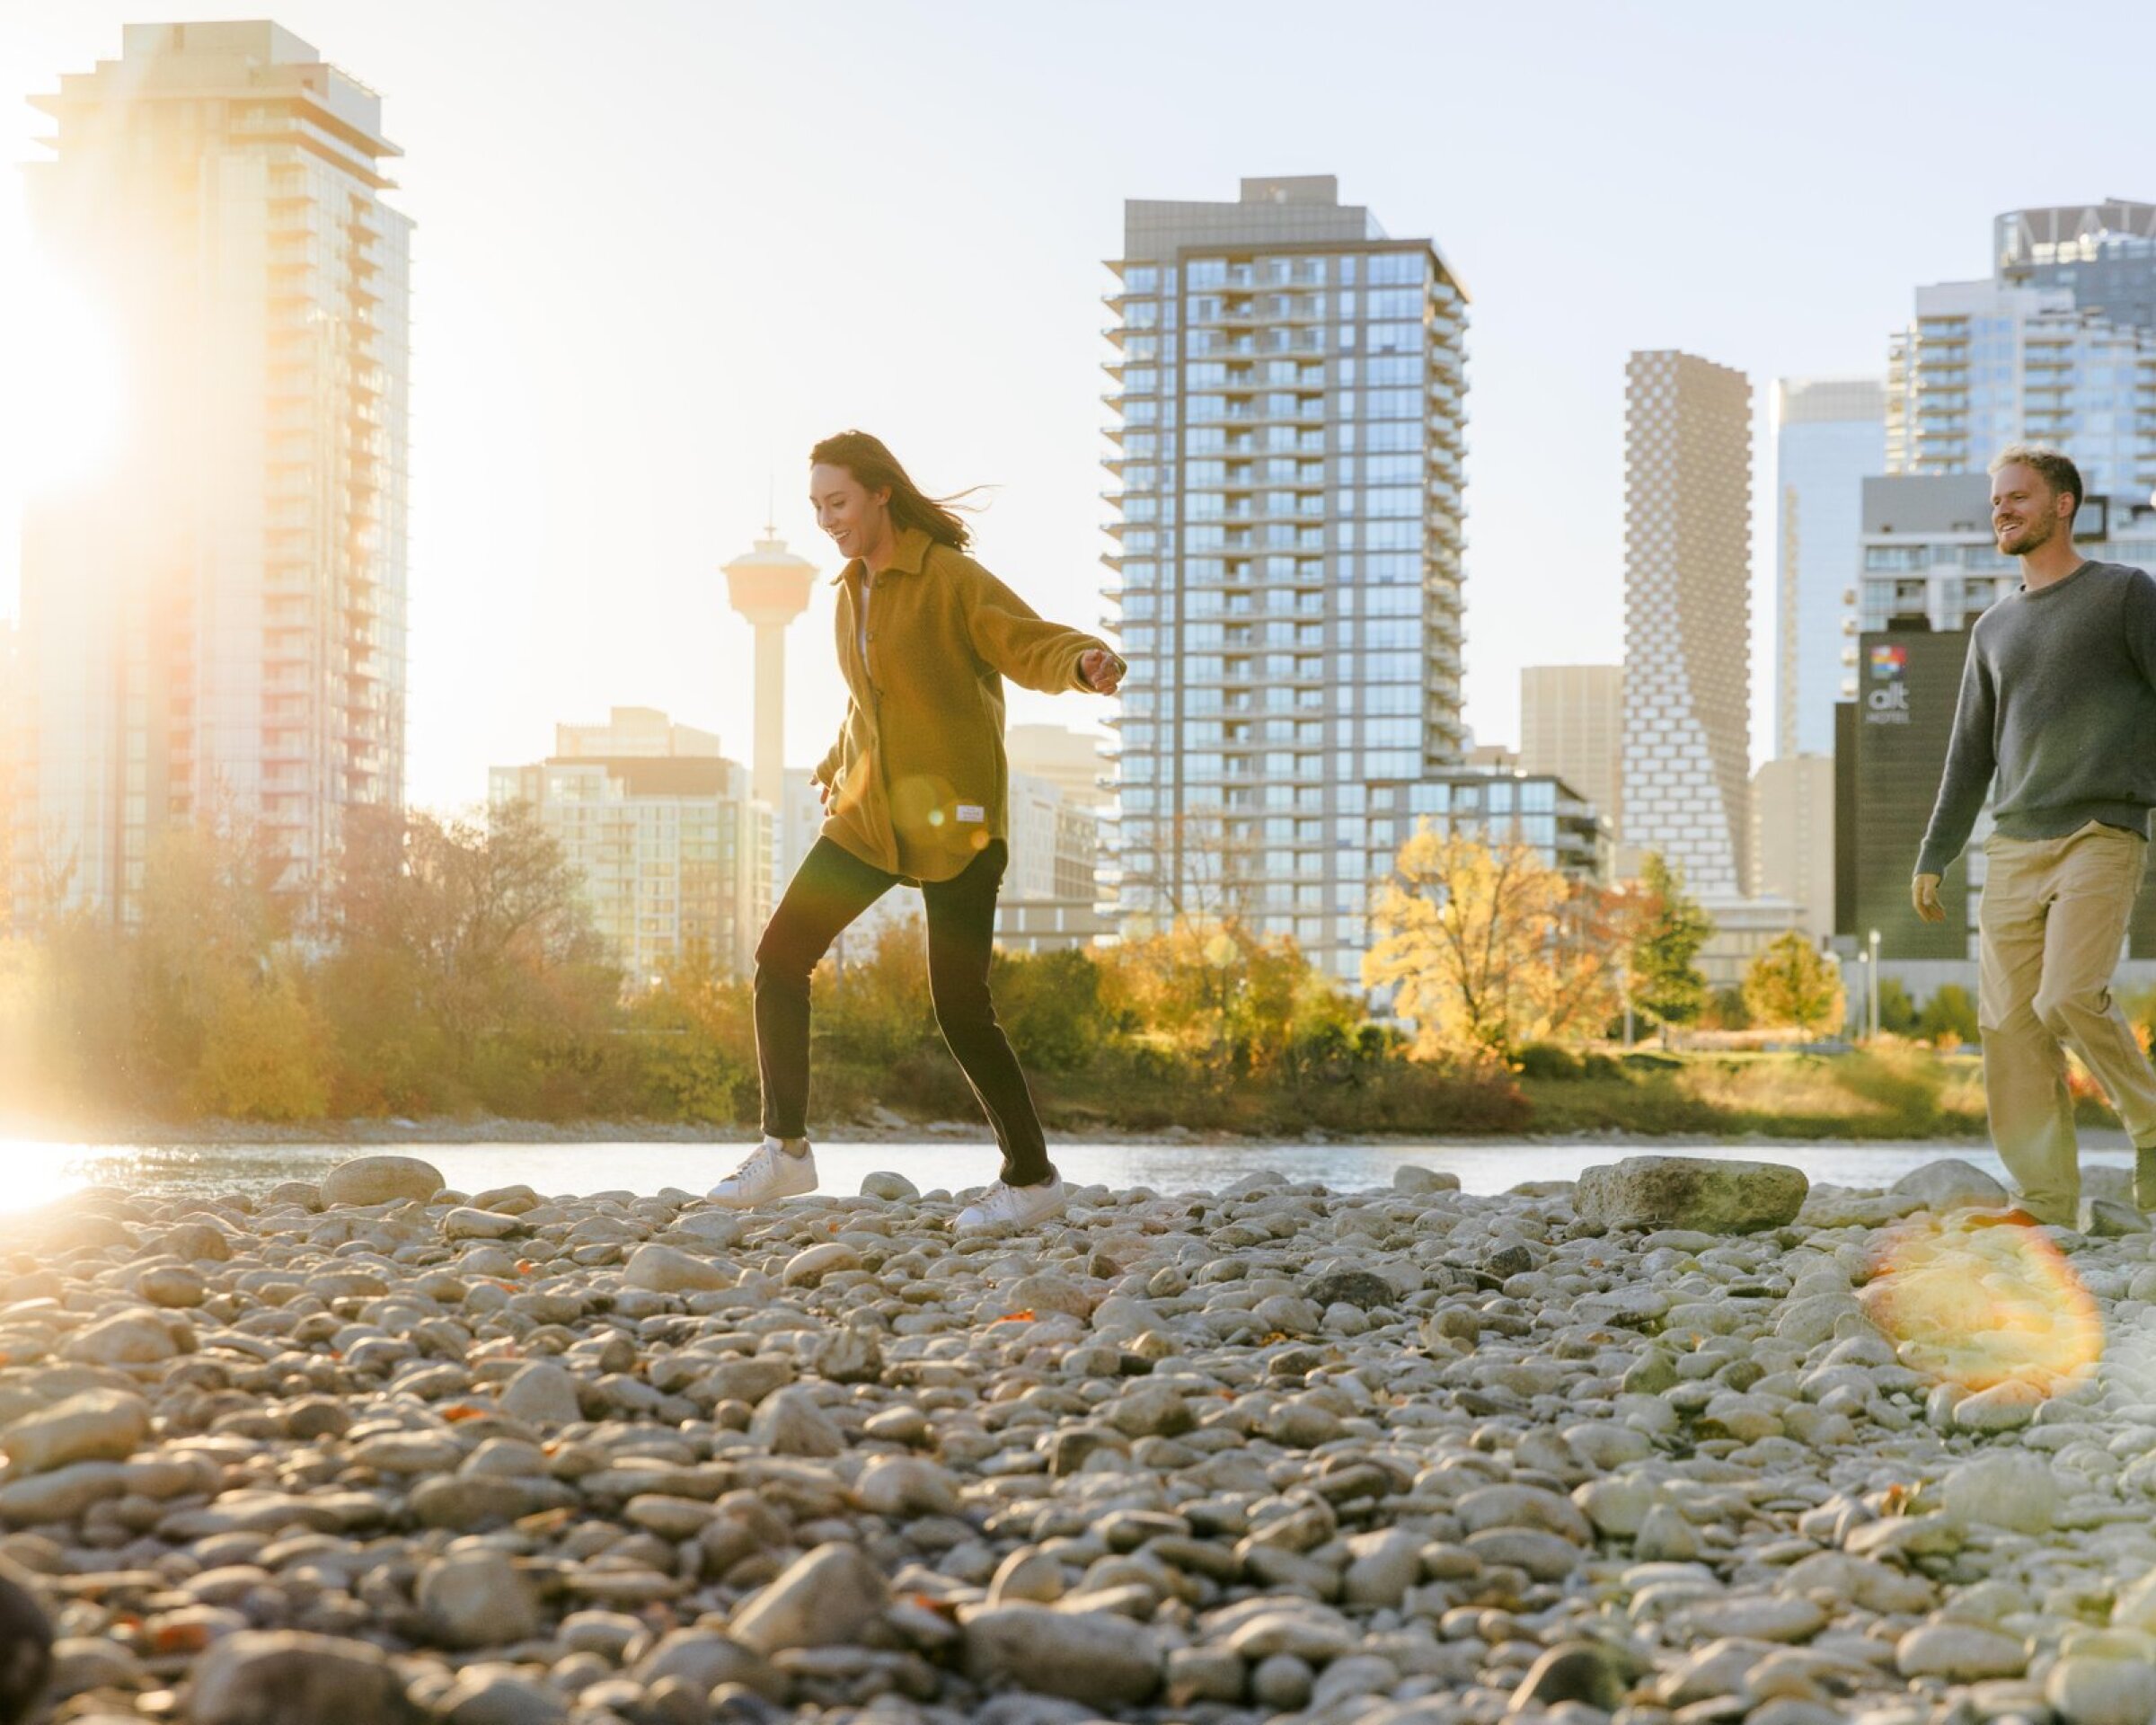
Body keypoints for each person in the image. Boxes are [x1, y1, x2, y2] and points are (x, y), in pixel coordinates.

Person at [706, 430, 1124, 1232]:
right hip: (868, 819)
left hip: (957, 820)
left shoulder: (948, 579)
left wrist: (1082, 662)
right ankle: (786, 1151)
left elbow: (1024, 639)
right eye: (817, 507)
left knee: (961, 1007)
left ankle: (1031, 1181)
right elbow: (869, 702)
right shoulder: (845, 592)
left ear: (880, 494)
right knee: (780, 959)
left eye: (839, 502)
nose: (827, 519)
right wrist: (835, 763)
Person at [1913, 444, 2156, 1227]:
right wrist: (1934, 853)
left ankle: (2150, 1123)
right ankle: (2045, 1201)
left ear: (2063, 505)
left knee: (2068, 996)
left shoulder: (2124, 594)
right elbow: (1967, 753)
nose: (2002, 511)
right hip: (2013, 843)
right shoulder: (1992, 629)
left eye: (2017, 497)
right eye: (1995, 502)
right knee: (2009, 1027)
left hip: (2100, 827)